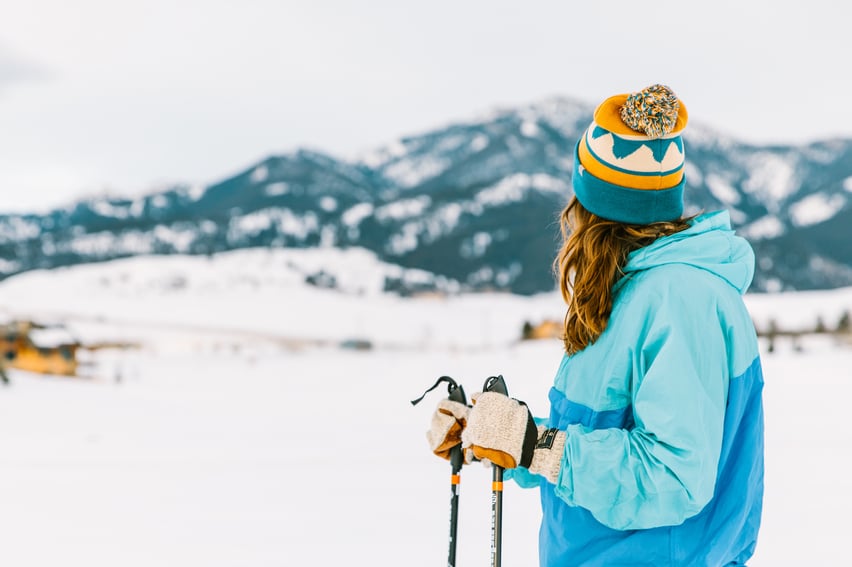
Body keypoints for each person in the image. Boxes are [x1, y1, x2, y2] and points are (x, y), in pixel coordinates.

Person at [426, 84, 764, 566]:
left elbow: (674, 476)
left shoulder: (680, 299)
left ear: (590, 206)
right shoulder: (632, 292)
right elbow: (587, 440)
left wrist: (534, 445)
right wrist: (499, 436)